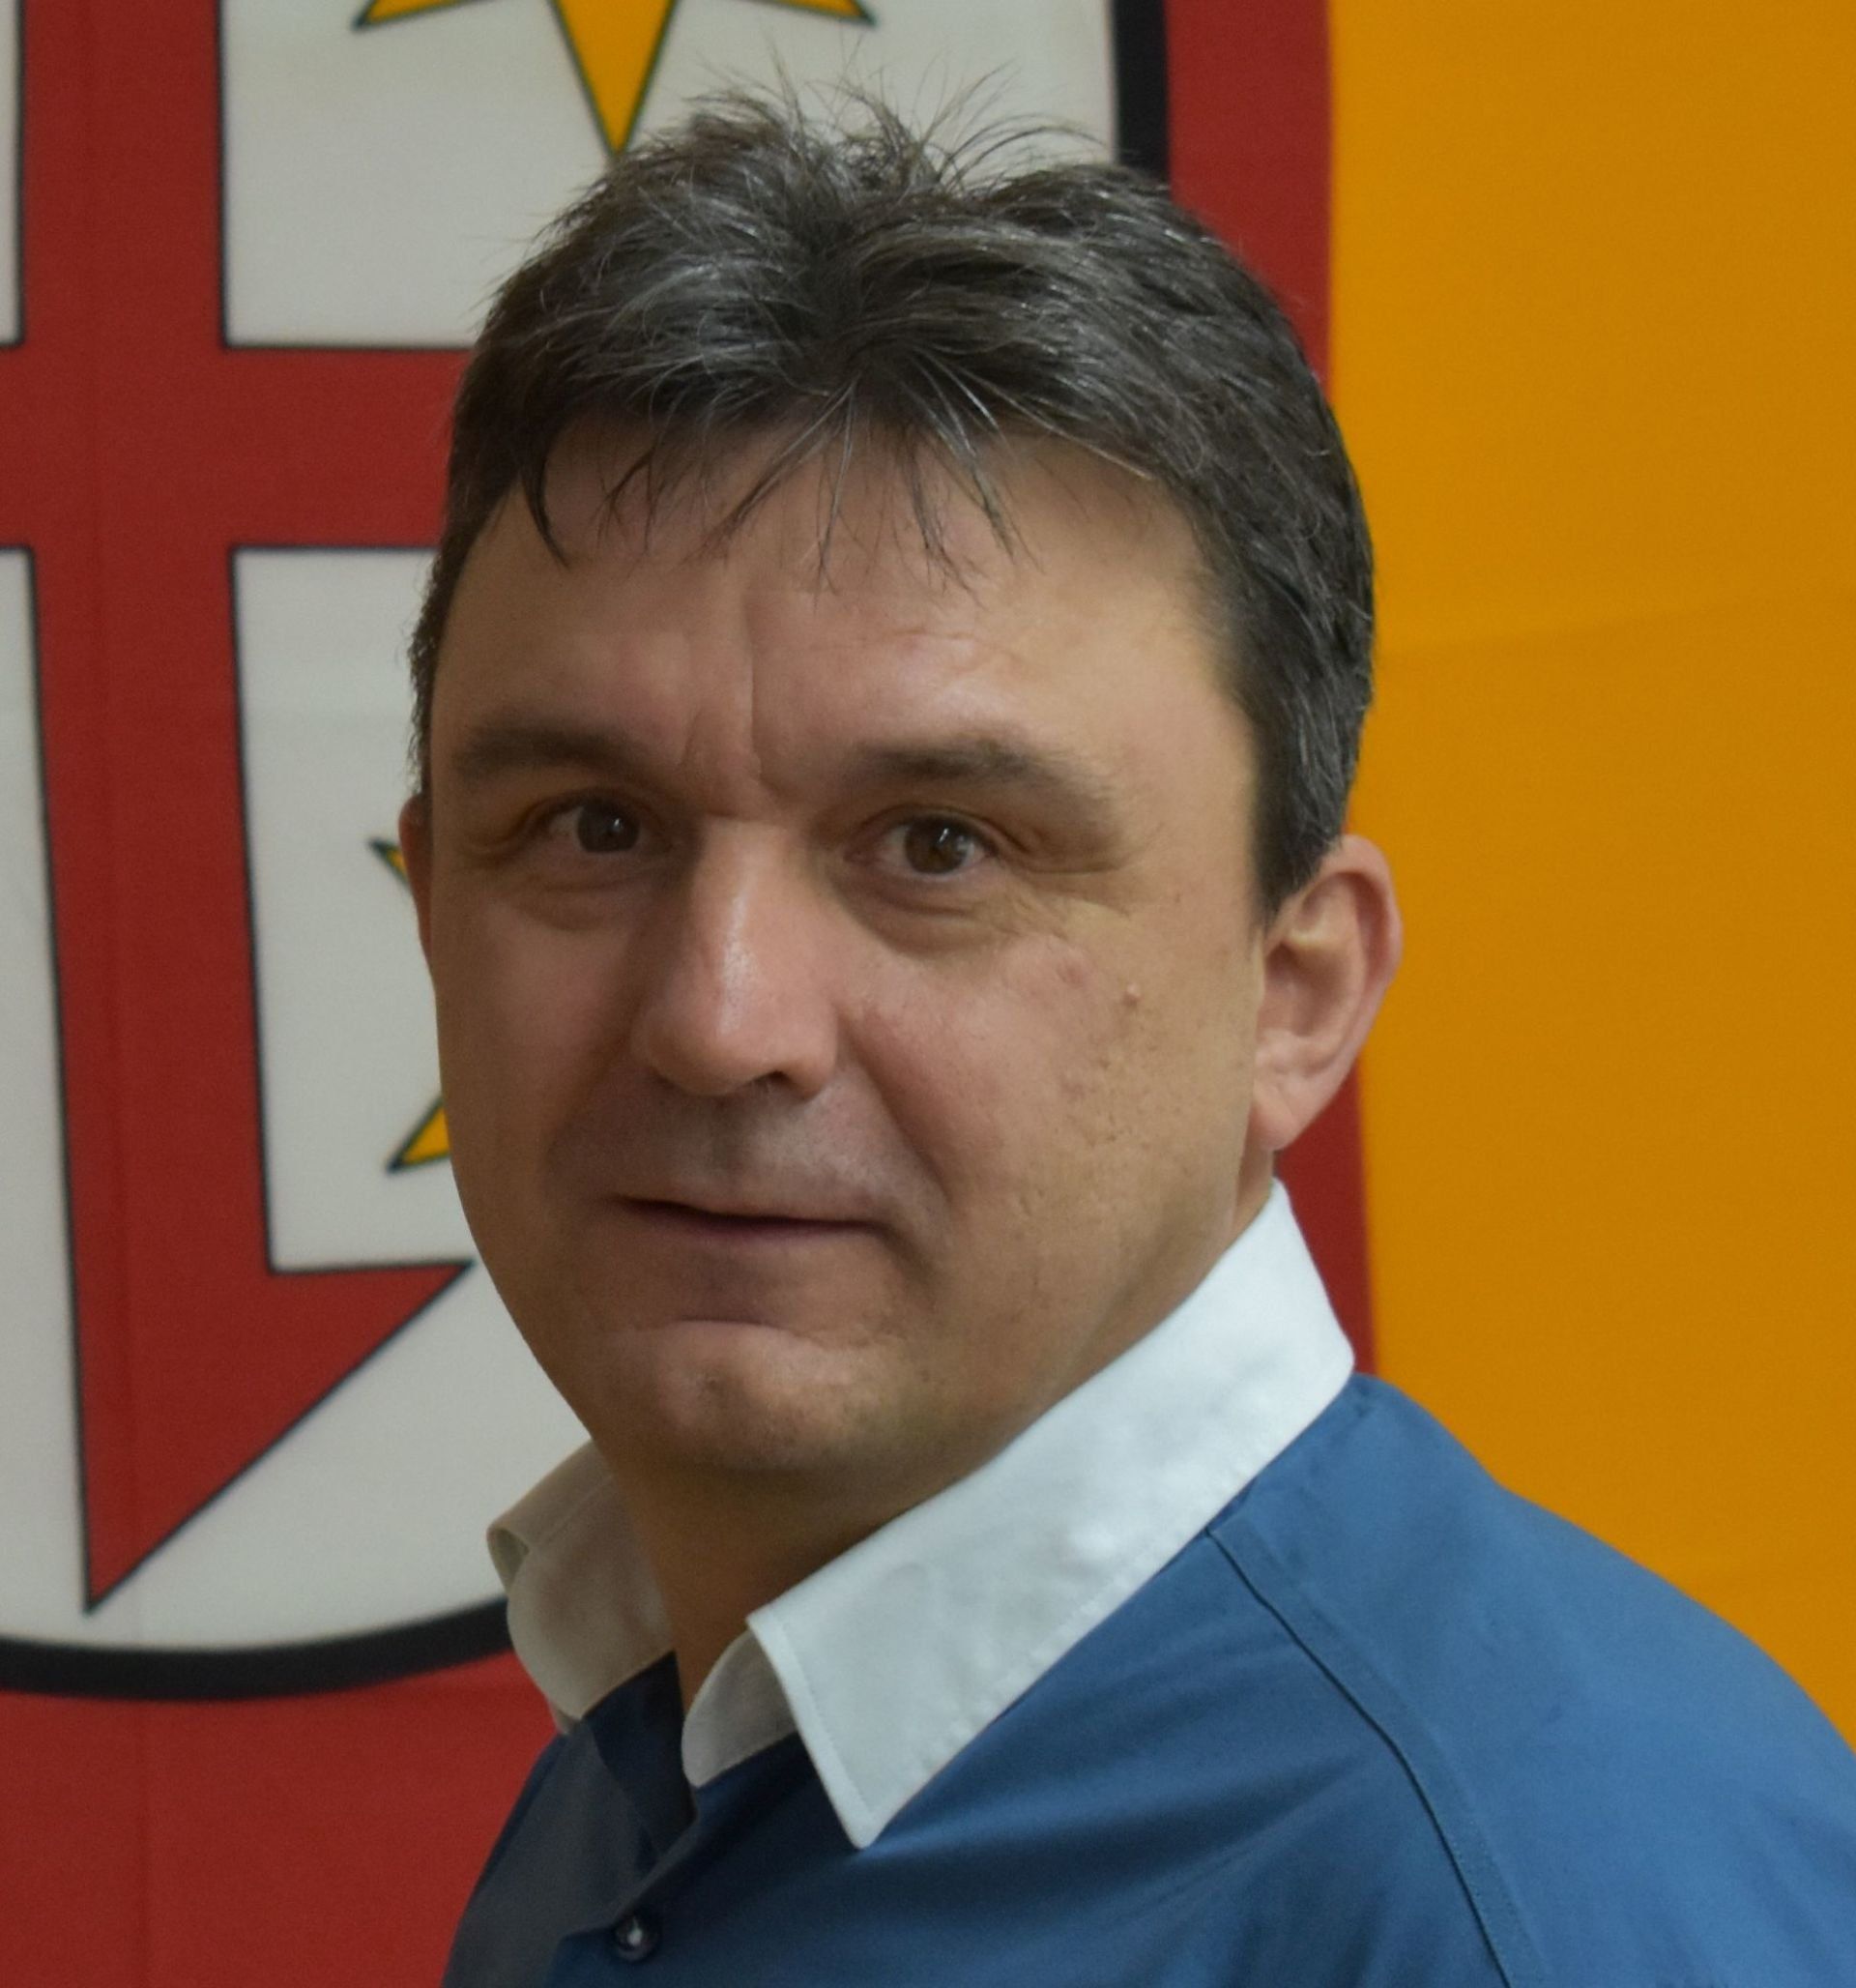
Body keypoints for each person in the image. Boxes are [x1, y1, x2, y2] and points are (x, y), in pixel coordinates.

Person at [398, 91, 1856, 1987]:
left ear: (1296, 995)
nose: (718, 1018)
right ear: (433, 900)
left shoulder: (1536, 1908)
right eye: (594, 826)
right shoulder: (672, 1754)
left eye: (940, 845)